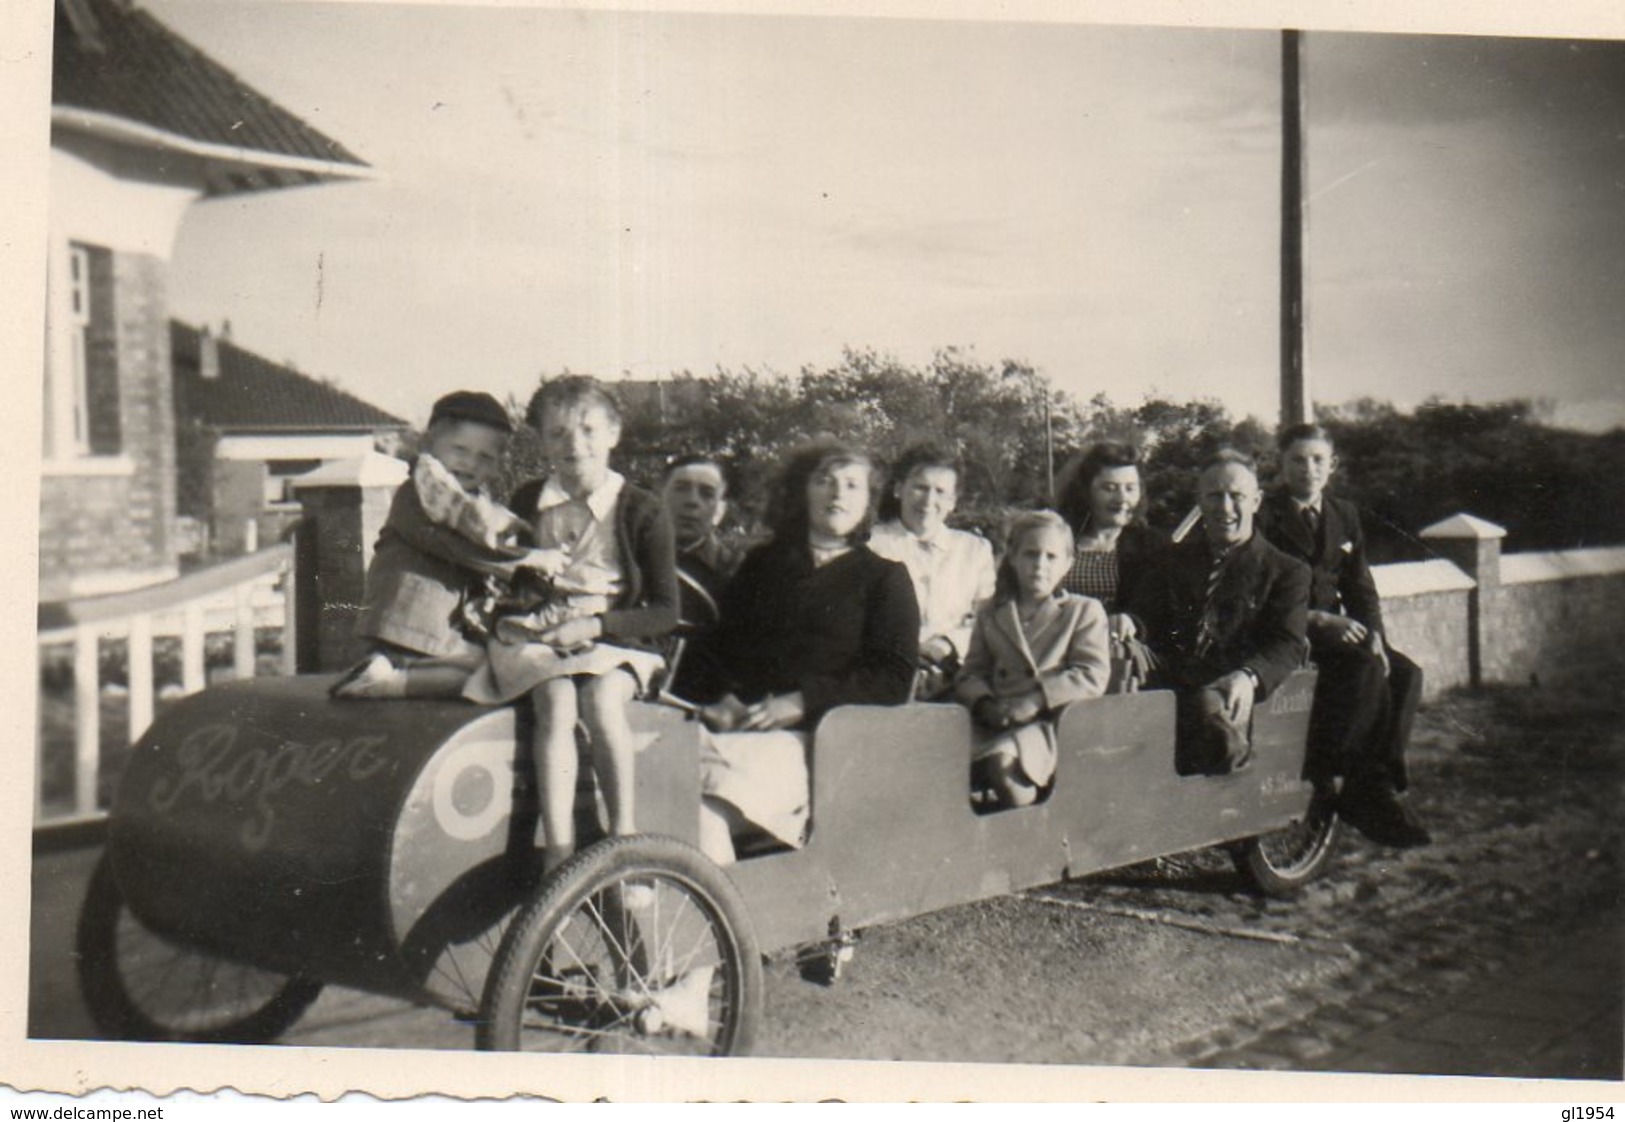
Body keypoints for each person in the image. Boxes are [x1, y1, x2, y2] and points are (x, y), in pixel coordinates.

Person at [463, 376, 678, 873]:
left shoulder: (642, 510)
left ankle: (623, 837)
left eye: (587, 430)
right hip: (539, 631)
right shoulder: (529, 501)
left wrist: (596, 626)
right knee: (555, 700)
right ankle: (559, 849)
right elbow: (506, 575)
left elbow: (665, 611)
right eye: (557, 433)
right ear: (541, 441)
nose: (573, 445)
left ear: (613, 434)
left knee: (601, 699)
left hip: (614, 637)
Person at [697, 439, 919, 864]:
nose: (837, 493)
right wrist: (723, 696)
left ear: (869, 500)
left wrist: (801, 701)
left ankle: (724, 925)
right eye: (825, 481)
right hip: (740, 729)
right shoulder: (762, 565)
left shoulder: (884, 579)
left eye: (852, 485)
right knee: (661, 781)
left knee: (700, 808)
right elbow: (719, 648)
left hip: (820, 746)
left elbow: (892, 680)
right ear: (803, 490)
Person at [1257, 423, 1430, 848]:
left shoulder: (1344, 514)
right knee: (1363, 668)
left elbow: (1360, 586)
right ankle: (1352, 780)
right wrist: (1317, 619)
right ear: (1281, 464)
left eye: (1318, 460)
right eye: (1297, 459)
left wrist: (1376, 635)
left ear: (1332, 465)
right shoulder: (1263, 514)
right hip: (1291, 628)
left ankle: (1379, 784)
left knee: (1405, 673)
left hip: (1340, 630)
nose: (1308, 469)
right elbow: (1256, 588)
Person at [334, 390, 543, 699]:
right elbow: (460, 550)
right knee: (491, 674)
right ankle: (385, 682)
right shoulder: (420, 493)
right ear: (429, 445)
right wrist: (526, 560)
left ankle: (383, 669)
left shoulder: (469, 506)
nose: (470, 463)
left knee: (488, 666)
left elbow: (480, 534)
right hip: (408, 621)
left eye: (485, 457)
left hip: (427, 627)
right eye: (460, 449)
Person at [1125, 449, 1310, 774]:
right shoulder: (1170, 559)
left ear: (1256, 501)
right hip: (1167, 679)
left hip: (1225, 684)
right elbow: (1144, 617)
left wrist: (1248, 677)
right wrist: (1128, 624)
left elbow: (1288, 643)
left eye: (1236, 496)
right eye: (1213, 496)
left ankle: (1224, 797)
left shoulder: (1286, 570)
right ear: (1199, 501)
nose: (1224, 508)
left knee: (1210, 722)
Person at [956, 510, 1111, 808]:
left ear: (1067, 563)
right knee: (937, 761)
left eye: (1051, 557)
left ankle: (1031, 834)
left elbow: (1091, 674)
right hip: (997, 718)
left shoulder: (1082, 611)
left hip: (1053, 723)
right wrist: (984, 703)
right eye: (1031, 555)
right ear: (1013, 558)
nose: (1040, 566)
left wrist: (1035, 701)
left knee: (1003, 763)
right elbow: (971, 673)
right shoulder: (992, 612)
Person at [867, 444, 997, 700]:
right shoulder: (871, 546)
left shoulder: (974, 549)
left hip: (958, 671)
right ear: (898, 489)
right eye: (920, 487)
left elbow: (987, 617)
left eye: (940, 492)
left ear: (952, 502)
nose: (929, 501)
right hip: (888, 674)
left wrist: (945, 645)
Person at [1055, 441, 1169, 691]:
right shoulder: (1059, 537)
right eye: (1109, 488)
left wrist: (1133, 621)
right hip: (1057, 652)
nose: (1122, 499)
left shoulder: (1153, 546)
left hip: (1118, 662)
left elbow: (1159, 608)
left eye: (1130, 488)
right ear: (1086, 491)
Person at [659, 454, 745, 703]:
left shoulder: (736, 571)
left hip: (700, 701)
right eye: (681, 489)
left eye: (706, 493)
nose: (691, 502)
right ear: (659, 496)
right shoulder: (629, 559)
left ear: (720, 510)